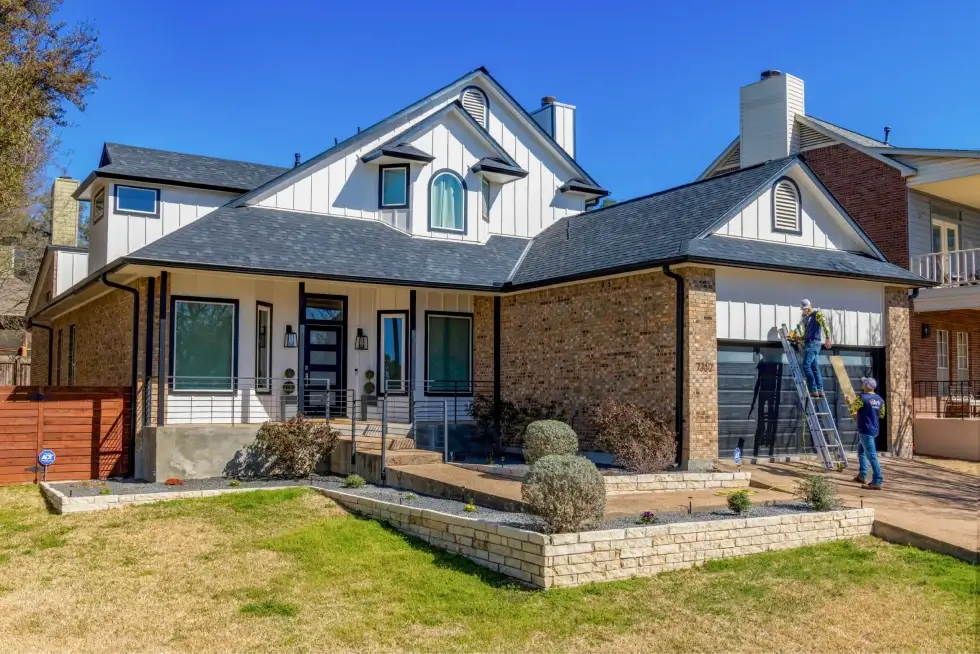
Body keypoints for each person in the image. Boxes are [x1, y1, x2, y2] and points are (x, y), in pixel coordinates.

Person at [789, 299, 832, 397]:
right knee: (815, 367)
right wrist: (796, 337)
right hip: (809, 343)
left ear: (810, 306)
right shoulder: (805, 319)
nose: (805, 311)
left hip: (814, 343)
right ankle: (820, 390)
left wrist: (828, 338)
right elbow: (805, 335)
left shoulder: (817, 314)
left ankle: (813, 389)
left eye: (807, 308)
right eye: (804, 309)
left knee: (806, 366)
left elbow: (825, 325)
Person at [849, 377, 885, 490]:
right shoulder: (880, 399)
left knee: (872, 456)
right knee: (861, 451)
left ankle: (877, 481)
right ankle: (862, 475)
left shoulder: (862, 398)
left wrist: (847, 402)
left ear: (867, 386)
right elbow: (881, 415)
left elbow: (852, 409)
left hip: (865, 431)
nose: (862, 384)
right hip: (874, 430)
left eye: (863, 383)